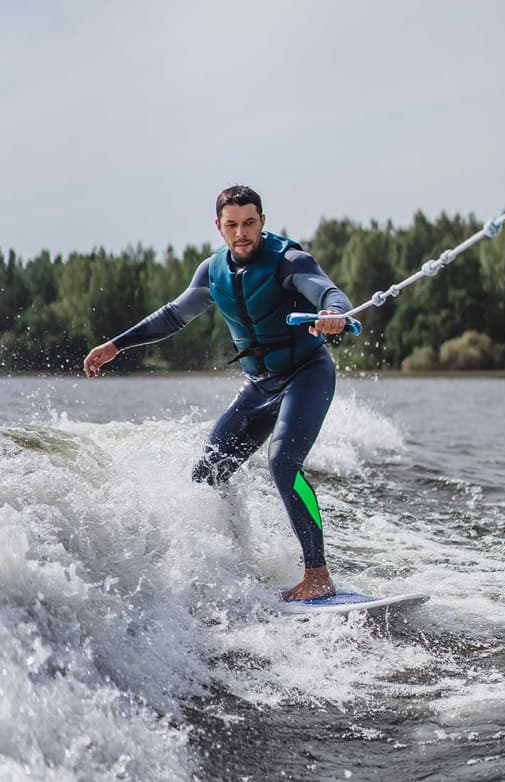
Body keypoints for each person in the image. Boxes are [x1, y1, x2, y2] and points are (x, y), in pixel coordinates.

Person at [83, 185, 353, 601]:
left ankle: (317, 573)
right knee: (206, 474)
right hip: (258, 385)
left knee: (282, 463)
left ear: (262, 221)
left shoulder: (289, 261)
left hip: (306, 374)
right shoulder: (212, 272)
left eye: (249, 223)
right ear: (219, 227)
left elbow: (326, 291)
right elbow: (173, 316)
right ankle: (232, 563)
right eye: (232, 225)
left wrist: (334, 313)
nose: (241, 233)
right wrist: (115, 345)